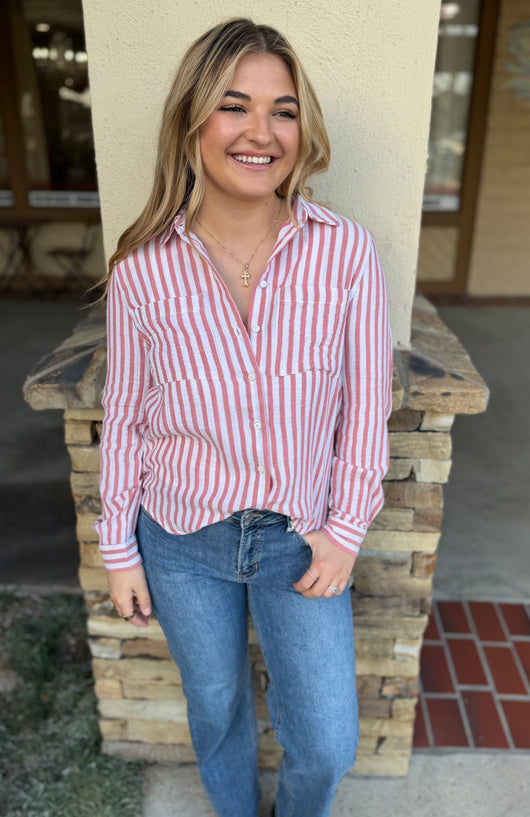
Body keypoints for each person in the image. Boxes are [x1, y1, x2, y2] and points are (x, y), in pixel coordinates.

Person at [96, 17, 392, 817]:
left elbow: (367, 405)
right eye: (234, 106)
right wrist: (119, 547)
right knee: (217, 705)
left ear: (303, 128)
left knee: (326, 736)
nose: (262, 132)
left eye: (284, 110)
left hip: (300, 537)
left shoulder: (345, 254)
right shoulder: (142, 271)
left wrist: (347, 528)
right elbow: (125, 416)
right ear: (193, 121)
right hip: (182, 538)